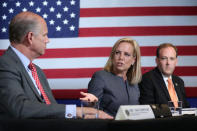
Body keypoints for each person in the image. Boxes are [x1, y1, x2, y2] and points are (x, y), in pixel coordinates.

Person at [0, 11, 113, 119]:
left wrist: (87, 110)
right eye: (44, 35)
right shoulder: (4, 65)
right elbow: (19, 107)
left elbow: (51, 110)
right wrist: (77, 111)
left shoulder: (37, 71)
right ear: (30, 37)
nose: (47, 40)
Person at [87, 38, 142, 117]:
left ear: (133, 60)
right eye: (117, 53)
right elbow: (91, 112)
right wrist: (91, 105)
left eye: (126, 54)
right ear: (112, 56)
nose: (121, 57)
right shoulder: (100, 77)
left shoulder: (135, 82)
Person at [139, 43, 190, 108]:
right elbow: (149, 108)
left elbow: (186, 107)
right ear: (157, 61)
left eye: (172, 59)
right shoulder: (147, 79)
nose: (168, 63)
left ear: (176, 62)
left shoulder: (179, 81)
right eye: (164, 58)